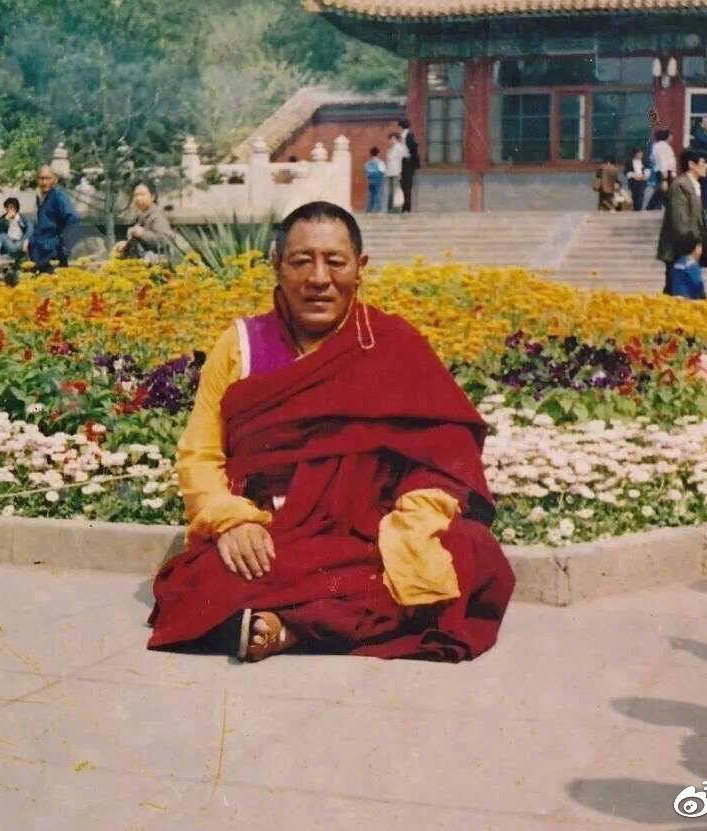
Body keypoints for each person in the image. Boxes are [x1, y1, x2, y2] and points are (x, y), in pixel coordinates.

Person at [147, 201, 515, 662]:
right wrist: (231, 522)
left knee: (467, 551)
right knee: (196, 580)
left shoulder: (393, 343)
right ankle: (318, 622)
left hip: (373, 531)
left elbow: (443, 459)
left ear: (360, 268)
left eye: (335, 262)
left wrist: (413, 525)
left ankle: (289, 628)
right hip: (276, 532)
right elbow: (200, 453)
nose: (319, 278)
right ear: (276, 265)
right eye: (302, 261)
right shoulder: (242, 345)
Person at [657, 150, 707, 295]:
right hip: (680, 250)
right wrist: (692, 245)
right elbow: (679, 221)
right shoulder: (680, 185)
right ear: (691, 164)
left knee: (685, 293)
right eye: (703, 162)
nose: (706, 166)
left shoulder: (694, 185)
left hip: (690, 250)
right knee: (676, 292)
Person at [28, 164, 79, 273]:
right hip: (40, 251)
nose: (44, 182)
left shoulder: (58, 196)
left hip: (53, 251)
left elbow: (72, 218)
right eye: (41, 178)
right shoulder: (41, 197)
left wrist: (63, 243)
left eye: (48, 178)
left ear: (55, 180)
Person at [689, 117, 707, 214]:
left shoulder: (703, 132)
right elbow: (705, 142)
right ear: (702, 123)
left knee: (705, 183)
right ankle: (705, 207)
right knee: (704, 183)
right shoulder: (698, 131)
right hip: (699, 159)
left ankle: (705, 207)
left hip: (704, 159)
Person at [646, 129, 676, 211]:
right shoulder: (662, 146)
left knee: (664, 190)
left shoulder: (661, 146)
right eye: (670, 136)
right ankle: (651, 206)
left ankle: (658, 206)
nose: (672, 138)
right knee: (662, 189)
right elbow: (662, 160)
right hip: (664, 171)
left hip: (665, 171)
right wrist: (664, 176)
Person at [397, 118, 420, 213]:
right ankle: (405, 205)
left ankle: (407, 206)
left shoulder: (408, 134)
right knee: (404, 184)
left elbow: (414, 147)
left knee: (407, 184)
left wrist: (412, 158)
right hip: (403, 161)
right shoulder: (403, 135)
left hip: (408, 161)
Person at [384, 132, 407, 213]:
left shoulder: (400, 148)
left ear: (396, 139)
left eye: (392, 139)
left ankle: (396, 209)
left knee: (396, 191)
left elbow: (402, 161)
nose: (391, 141)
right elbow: (388, 162)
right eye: (390, 139)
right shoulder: (390, 149)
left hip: (396, 172)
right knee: (390, 191)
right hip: (390, 173)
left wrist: (400, 172)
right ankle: (390, 208)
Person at [364, 147, 386, 213]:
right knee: (379, 195)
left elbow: (367, 172)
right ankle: (377, 210)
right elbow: (382, 171)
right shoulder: (380, 162)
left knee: (371, 196)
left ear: (370, 154)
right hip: (379, 181)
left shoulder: (367, 163)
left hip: (371, 181)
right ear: (378, 153)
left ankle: (369, 209)